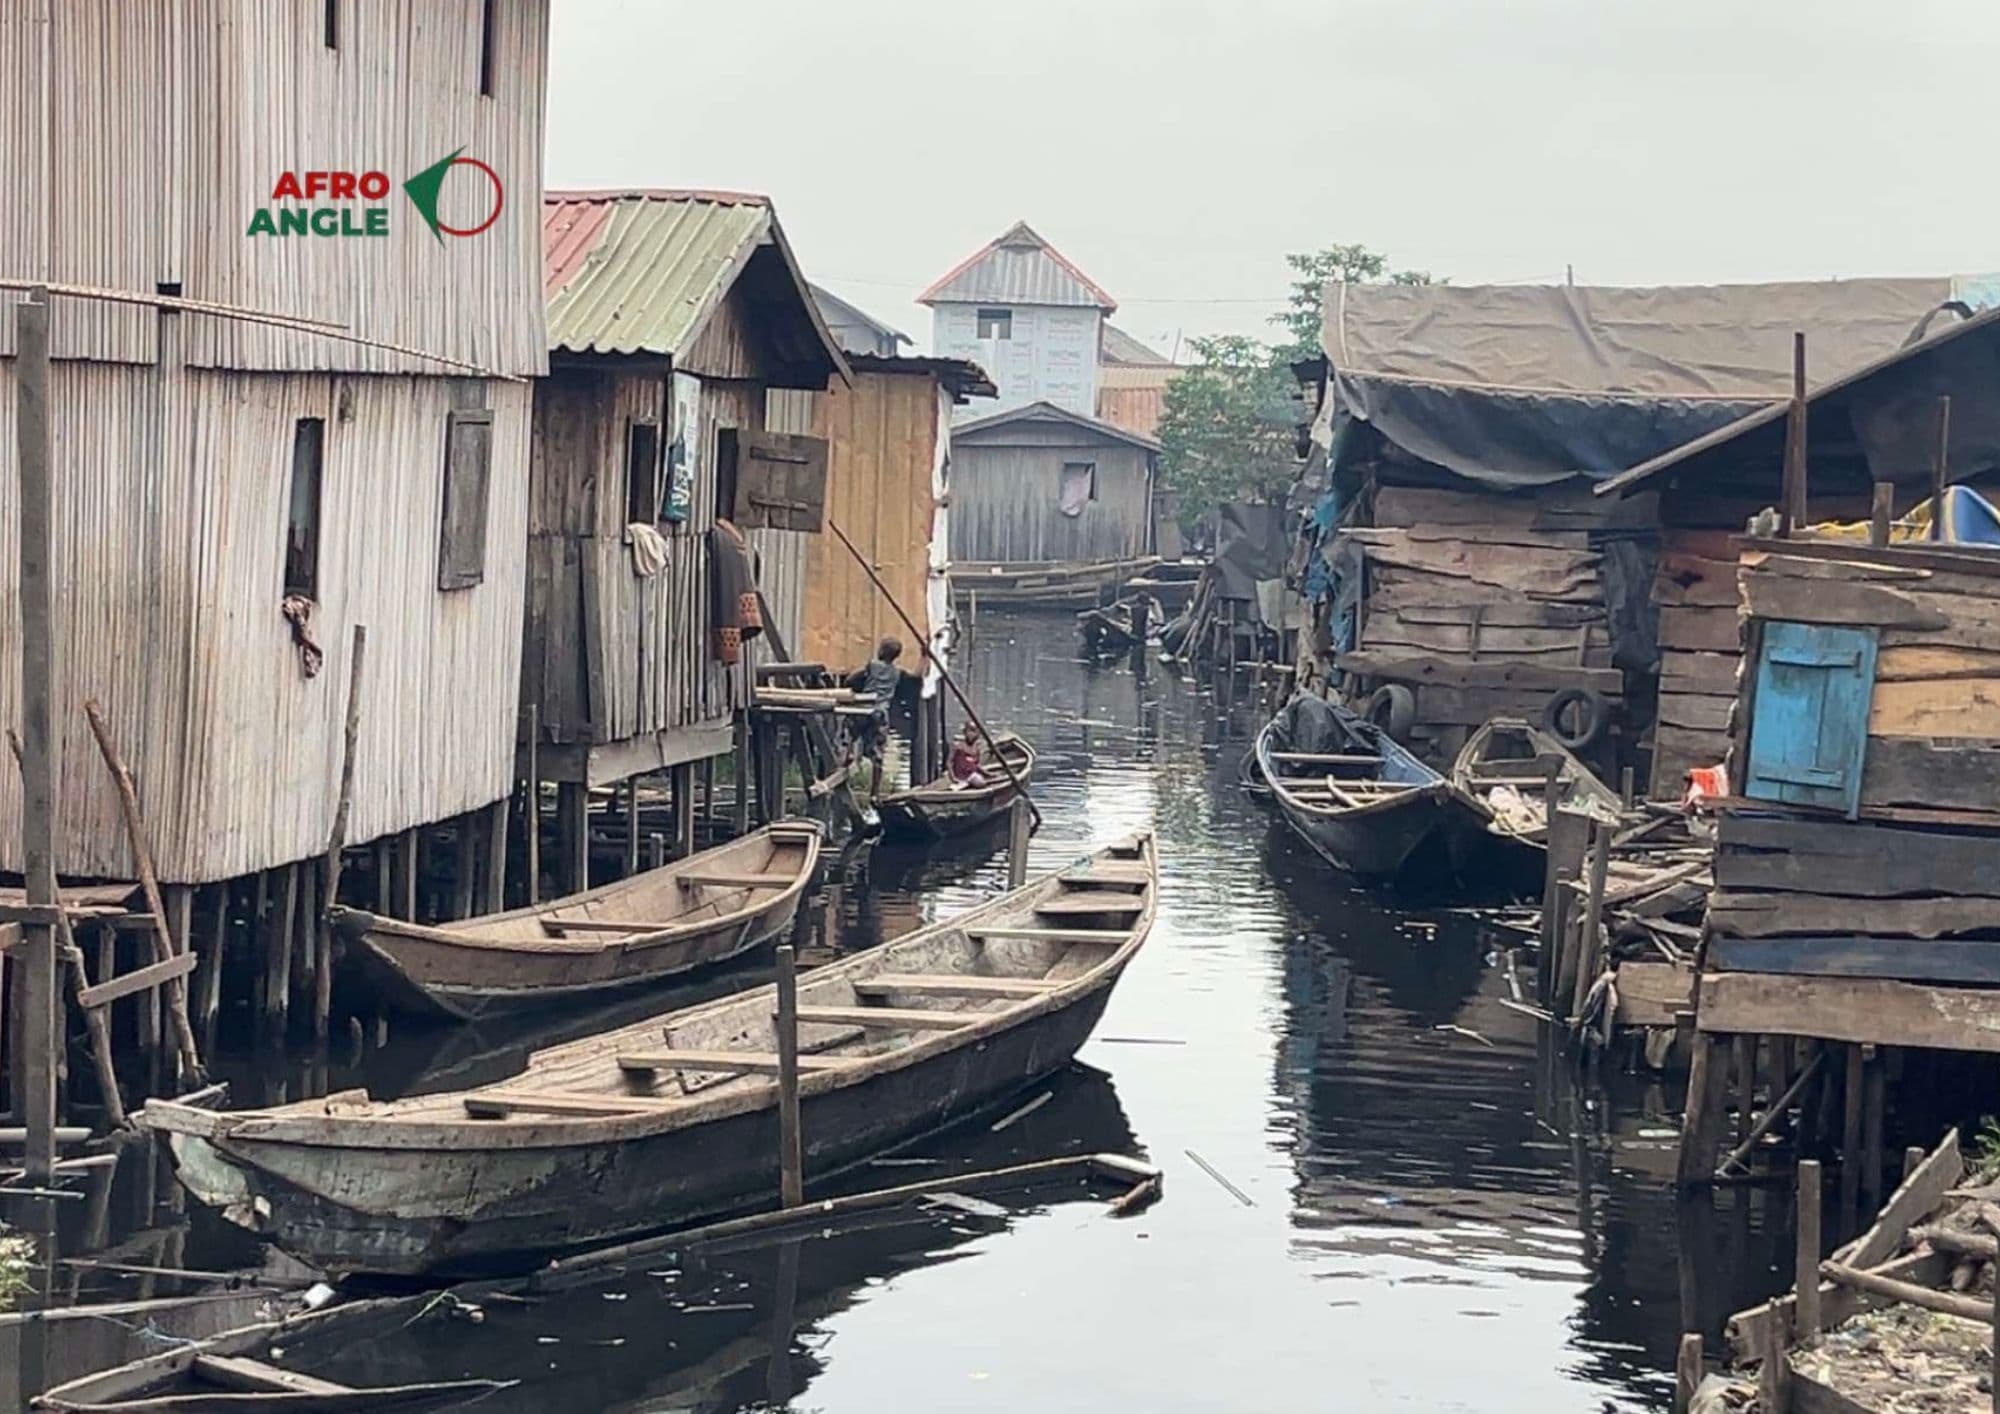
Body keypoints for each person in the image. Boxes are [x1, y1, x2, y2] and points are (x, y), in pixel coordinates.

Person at [847, 637, 912, 799]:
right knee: (878, 754)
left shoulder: (873, 665)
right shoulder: (897, 672)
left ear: (881, 651)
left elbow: (852, 679)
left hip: (864, 708)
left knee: (850, 733)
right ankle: (874, 793)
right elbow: (915, 675)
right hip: (880, 713)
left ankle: (847, 756)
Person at [948, 721, 988, 789]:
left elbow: (977, 765)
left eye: (974, 731)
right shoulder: (958, 746)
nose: (971, 734)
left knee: (981, 782)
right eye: (969, 731)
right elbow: (949, 762)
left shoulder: (976, 749)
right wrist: (953, 777)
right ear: (965, 732)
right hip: (960, 777)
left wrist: (988, 774)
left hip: (971, 776)